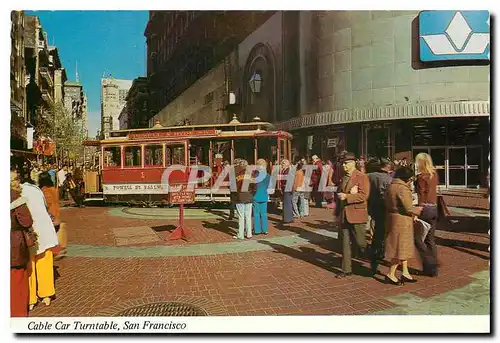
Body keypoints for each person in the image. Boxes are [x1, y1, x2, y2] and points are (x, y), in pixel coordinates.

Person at [20, 171, 58, 310]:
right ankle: (46, 294)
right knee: (45, 263)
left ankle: (30, 299)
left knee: (30, 265)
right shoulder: (35, 189)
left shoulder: (17, 191)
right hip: (44, 229)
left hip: (30, 231)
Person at [384, 166, 422, 285]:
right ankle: (390, 274)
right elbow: (408, 207)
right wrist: (419, 210)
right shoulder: (403, 189)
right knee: (399, 248)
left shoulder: (391, 186)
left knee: (402, 246)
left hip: (392, 218)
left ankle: (405, 272)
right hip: (402, 220)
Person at [336, 152, 370, 278]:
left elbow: (364, 195)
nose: (343, 165)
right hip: (345, 213)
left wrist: (348, 196)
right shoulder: (343, 177)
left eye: (346, 163)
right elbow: (340, 191)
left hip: (357, 214)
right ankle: (346, 269)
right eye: (342, 163)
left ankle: (373, 261)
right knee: (345, 243)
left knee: (361, 243)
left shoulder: (361, 177)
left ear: (353, 163)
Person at [10, 170, 33, 317]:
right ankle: (17, 313)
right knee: (17, 278)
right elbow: (26, 221)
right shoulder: (16, 199)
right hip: (14, 242)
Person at [367, 157, 394, 275]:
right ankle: (379, 253)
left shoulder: (369, 176)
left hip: (372, 206)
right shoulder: (386, 178)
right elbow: (386, 195)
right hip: (383, 208)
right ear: (386, 167)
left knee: (376, 231)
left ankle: (376, 253)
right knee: (382, 232)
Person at [414, 152, 440, 277]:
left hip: (424, 209)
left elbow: (422, 194)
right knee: (430, 239)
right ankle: (434, 267)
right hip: (434, 208)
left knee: (418, 239)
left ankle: (428, 264)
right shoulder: (434, 174)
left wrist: (417, 210)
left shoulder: (421, 177)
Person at [39, 172, 67, 258]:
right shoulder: (54, 189)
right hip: (56, 215)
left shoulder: (44, 191)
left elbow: (46, 204)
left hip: (50, 217)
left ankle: (54, 252)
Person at [233, 159, 255, 240]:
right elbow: (255, 186)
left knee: (241, 217)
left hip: (240, 197)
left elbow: (233, 187)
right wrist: (252, 194)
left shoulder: (236, 174)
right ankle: (249, 234)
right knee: (248, 216)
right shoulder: (251, 174)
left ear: (240, 165)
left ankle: (240, 234)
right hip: (249, 196)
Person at [253, 159, 270, 235]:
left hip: (256, 196)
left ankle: (257, 230)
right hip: (264, 195)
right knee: (264, 213)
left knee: (256, 213)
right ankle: (265, 229)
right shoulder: (268, 175)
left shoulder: (255, 175)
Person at [280, 159, 294, 224]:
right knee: (286, 203)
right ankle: (288, 218)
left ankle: (288, 219)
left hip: (287, 188)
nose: (282, 165)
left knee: (287, 203)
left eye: (283, 163)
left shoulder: (287, 171)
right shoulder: (284, 170)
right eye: (282, 163)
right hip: (285, 188)